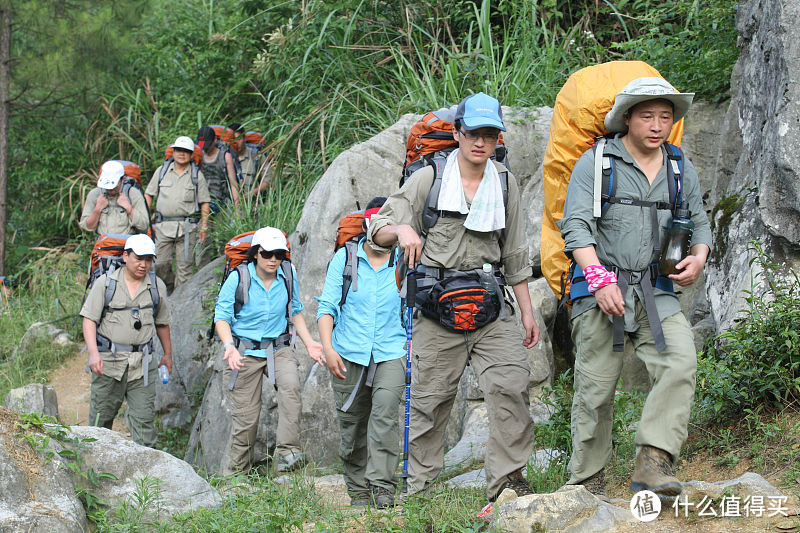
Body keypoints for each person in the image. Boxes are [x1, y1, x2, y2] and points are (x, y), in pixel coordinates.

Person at [368, 92, 541, 504]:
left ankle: (507, 483)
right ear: (457, 133)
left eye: (489, 134)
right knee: (429, 400)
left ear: (498, 137)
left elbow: (515, 251)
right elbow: (377, 228)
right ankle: (421, 488)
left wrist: (529, 312)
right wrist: (402, 231)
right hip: (435, 307)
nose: (479, 142)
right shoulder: (429, 177)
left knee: (511, 386)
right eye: (471, 133)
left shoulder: (504, 181)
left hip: (491, 303)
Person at [558, 77, 712, 498]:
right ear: (627, 118)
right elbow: (575, 226)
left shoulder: (680, 167)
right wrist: (597, 277)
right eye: (647, 116)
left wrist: (698, 255)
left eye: (665, 116)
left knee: (680, 361)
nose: (658, 125)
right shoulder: (599, 162)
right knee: (595, 391)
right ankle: (587, 484)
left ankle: (654, 461)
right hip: (600, 290)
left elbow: (698, 220)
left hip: (656, 290)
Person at [317, 198, 405, 508]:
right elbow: (327, 307)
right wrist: (327, 348)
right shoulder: (345, 259)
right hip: (348, 352)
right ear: (367, 226)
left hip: (391, 350)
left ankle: (383, 487)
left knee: (384, 416)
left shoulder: (405, 260)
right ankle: (359, 491)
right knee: (352, 425)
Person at [214, 226, 324, 473]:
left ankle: (287, 453)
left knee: (291, 389)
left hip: (278, 347)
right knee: (246, 419)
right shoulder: (239, 277)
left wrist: (309, 343)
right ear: (256, 253)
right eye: (268, 254)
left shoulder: (288, 274)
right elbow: (221, 316)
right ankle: (236, 476)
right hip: (244, 350)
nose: (274, 259)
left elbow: (294, 310)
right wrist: (229, 347)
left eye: (279, 255)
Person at [80, 234, 172, 447]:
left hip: (143, 364)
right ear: (125, 256)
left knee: (144, 424)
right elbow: (89, 320)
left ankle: (146, 478)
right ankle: (93, 472)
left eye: (148, 259)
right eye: (139, 258)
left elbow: (162, 323)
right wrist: (93, 353)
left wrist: (168, 354)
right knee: (99, 423)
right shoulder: (106, 284)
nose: (143, 264)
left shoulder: (156, 286)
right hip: (108, 363)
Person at [144, 136, 211, 288]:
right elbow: (148, 195)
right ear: (173, 152)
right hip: (162, 227)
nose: (182, 154)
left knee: (185, 268)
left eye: (186, 151)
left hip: (188, 228)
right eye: (179, 150)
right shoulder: (162, 171)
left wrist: (204, 226)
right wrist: (145, 220)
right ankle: (165, 290)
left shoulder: (196, 175)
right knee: (159, 263)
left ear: (191, 154)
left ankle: (180, 303)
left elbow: (204, 202)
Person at [79, 160, 150, 235]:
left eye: (114, 186)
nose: (110, 190)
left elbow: (144, 225)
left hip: (127, 243)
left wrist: (129, 208)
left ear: (122, 179)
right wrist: (98, 209)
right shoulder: (95, 194)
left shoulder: (133, 194)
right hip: (103, 243)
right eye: (107, 187)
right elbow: (88, 227)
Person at [197, 126, 240, 210]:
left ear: (215, 140)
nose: (205, 148)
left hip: (222, 203)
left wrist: (237, 208)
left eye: (208, 145)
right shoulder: (198, 155)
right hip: (201, 202)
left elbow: (233, 184)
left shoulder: (225, 156)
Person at [228, 123, 271, 196]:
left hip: (254, 202)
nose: (236, 143)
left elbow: (268, 180)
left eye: (238, 139)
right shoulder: (225, 157)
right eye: (232, 140)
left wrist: (251, 194)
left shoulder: (256, 155)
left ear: (244, 138)